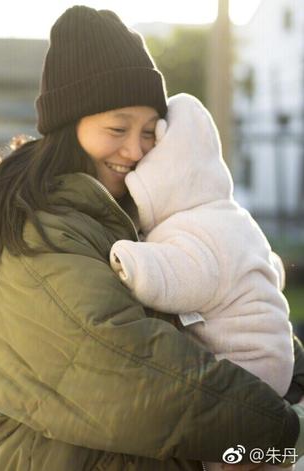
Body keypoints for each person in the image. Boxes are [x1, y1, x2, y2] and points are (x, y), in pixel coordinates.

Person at [0, 5, 304, 470]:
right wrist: (279, 429)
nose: (134, 150)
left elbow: (214, 313)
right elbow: (127, 367)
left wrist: (284, 362)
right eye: (117, 129)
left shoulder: (122, 214)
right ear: (68, 126)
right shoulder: (39, 227)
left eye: (148, 132)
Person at [108, 93, 294, 471]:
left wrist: (130, 258)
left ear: (166, 175)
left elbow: (181, 275)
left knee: (225, 454)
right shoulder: (232, 216)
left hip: (243, 367)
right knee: (259, 457)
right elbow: (270, 265)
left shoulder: (194, 228)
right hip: (272, 360)